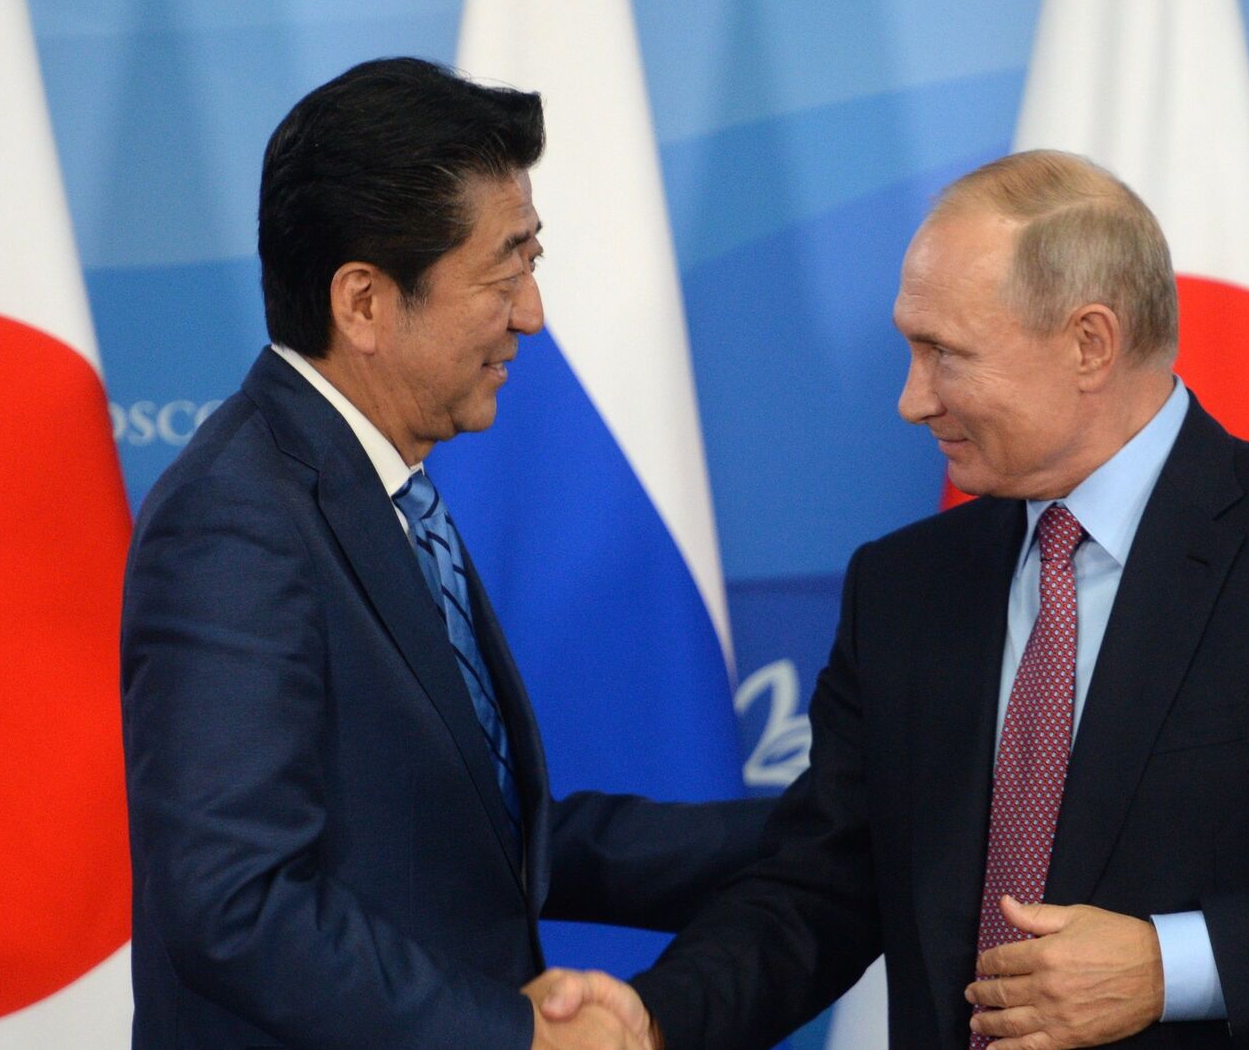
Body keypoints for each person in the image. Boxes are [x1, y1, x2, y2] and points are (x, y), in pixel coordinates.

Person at [546, 150, 1249, 1049]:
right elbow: (825, 883)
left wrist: (1170, 966)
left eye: (946, 352)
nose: (912, 398)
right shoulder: (903, 585)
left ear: (1090, 344)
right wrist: (657, 1019)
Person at [119, 57, 768, 1050]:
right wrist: (519, 1034)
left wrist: (839, 828)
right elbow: (236, 903)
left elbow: (485, 840)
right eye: (504, 273)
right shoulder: (235, 521)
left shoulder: (377, 486)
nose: (532, 313)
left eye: (532, 262)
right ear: (364, 303)